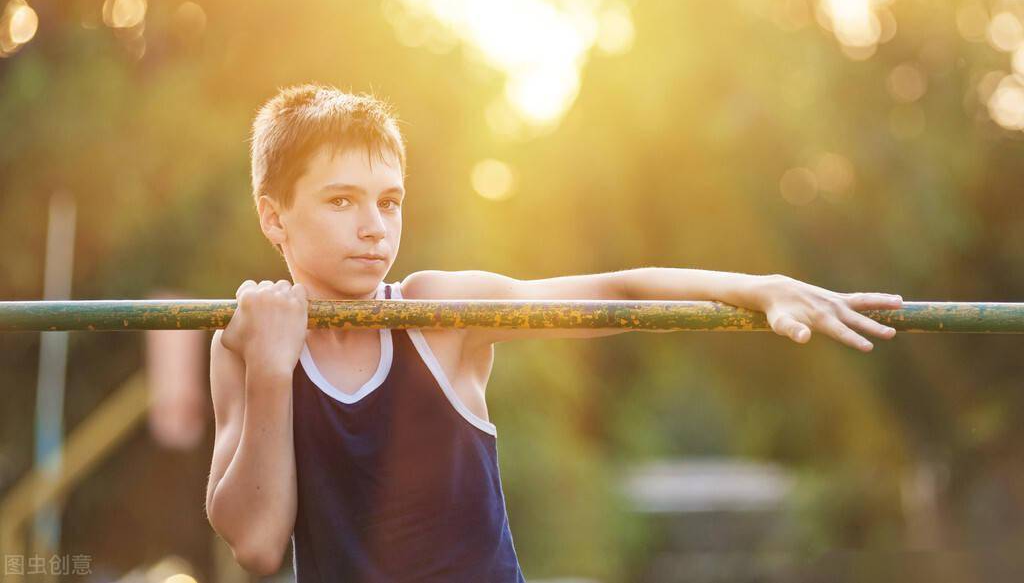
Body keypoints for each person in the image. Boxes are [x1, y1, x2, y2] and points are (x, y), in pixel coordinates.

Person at [203, 84, 903, 581]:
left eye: (389, 201)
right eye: (341, 200)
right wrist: (270, 370)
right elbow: (259, 545)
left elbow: (618, 289)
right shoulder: (241, 344)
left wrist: (759, 286)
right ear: (274, 217)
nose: (373, 225)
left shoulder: (442, 312)